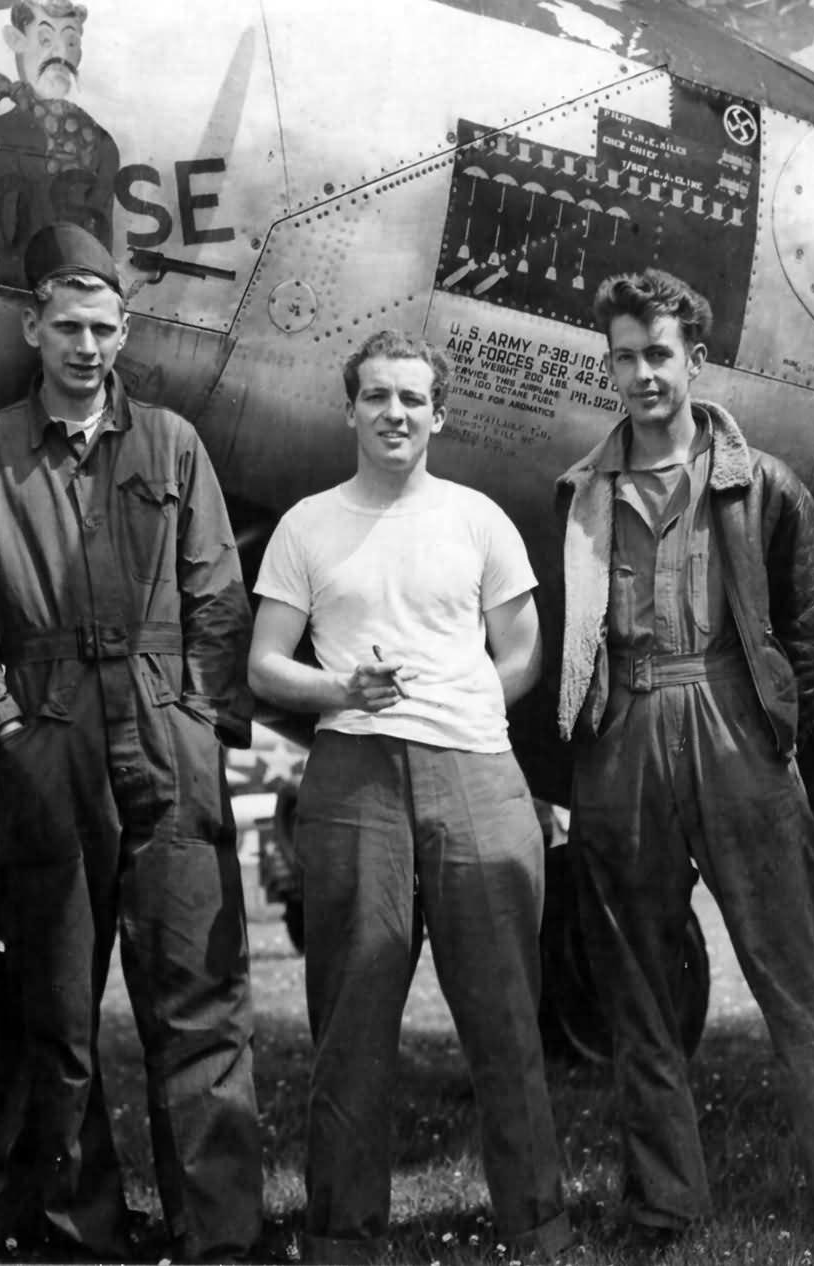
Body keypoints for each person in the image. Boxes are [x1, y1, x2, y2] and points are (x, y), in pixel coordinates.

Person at [0, 222, 261, 1262]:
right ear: (33, 328)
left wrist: (199, 723)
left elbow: (219, 596)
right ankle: (85, 1234)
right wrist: (9, 732)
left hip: (165, 731)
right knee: (58, 1007)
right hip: (47, 732)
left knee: (197, 996)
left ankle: (219, 1236)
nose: (84, 346)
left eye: (102, 328)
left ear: (125, 333)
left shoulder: (171, 444)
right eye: (66, 326)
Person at [556, 268, 814, 1244]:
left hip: (732, 728)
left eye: (658, 353)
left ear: (693, 360)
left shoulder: (764, 484)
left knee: (794, 986)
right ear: (607, 366)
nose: (641, 373)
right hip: (623, 737)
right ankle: (665, 1209)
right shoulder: (580, 494)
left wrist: (772, 727)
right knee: (636, 991)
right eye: (622, 355)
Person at [249, 329, 574, 1264]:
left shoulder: (478, 519)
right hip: (354, 779)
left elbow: (523, 650)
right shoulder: (309, 525)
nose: (396, 413)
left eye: (413, 400)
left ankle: (539, 1232)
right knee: (351, 1024)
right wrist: (338, 693)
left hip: (476, 772)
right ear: (350, 408)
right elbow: (268, 664)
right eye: (378, 396)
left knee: (506, 1014)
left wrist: (478, 699)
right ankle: (344, 1240)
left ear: (441, 414)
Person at [0, 0, 121, 288]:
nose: (60, 54)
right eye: (45, 39)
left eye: (71, 40)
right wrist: (57, 282)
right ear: (16, 41)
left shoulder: (101, 144)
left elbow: (100, 260)